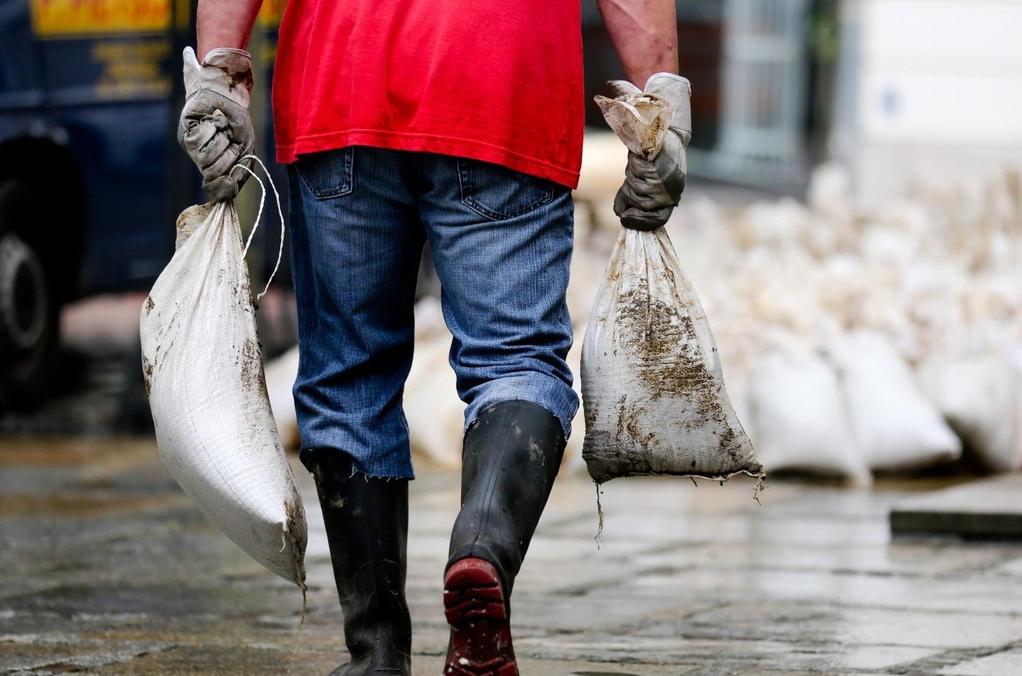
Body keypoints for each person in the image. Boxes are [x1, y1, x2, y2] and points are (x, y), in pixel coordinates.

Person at [178, 1, 689, 673]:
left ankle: (377, 655)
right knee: (516, 361)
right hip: (504, 81)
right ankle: (481, 550)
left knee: (348, 378)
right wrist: (661, 107)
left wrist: (217, 75)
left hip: (342, 81)